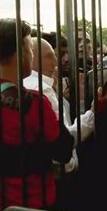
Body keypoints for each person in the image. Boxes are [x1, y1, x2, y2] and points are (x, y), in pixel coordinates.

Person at [0, 19, 73, 211]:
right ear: (20, 53)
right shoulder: (32, 104)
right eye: (29, 48)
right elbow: (63, 150)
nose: (31, 54)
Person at [23, 37, 95, 174]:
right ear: (32, 57)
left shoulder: (28, 84)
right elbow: (62, 140)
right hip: (57, 174)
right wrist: (92, 114)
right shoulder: (43, 89)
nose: (56, 62)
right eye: (50, 56)